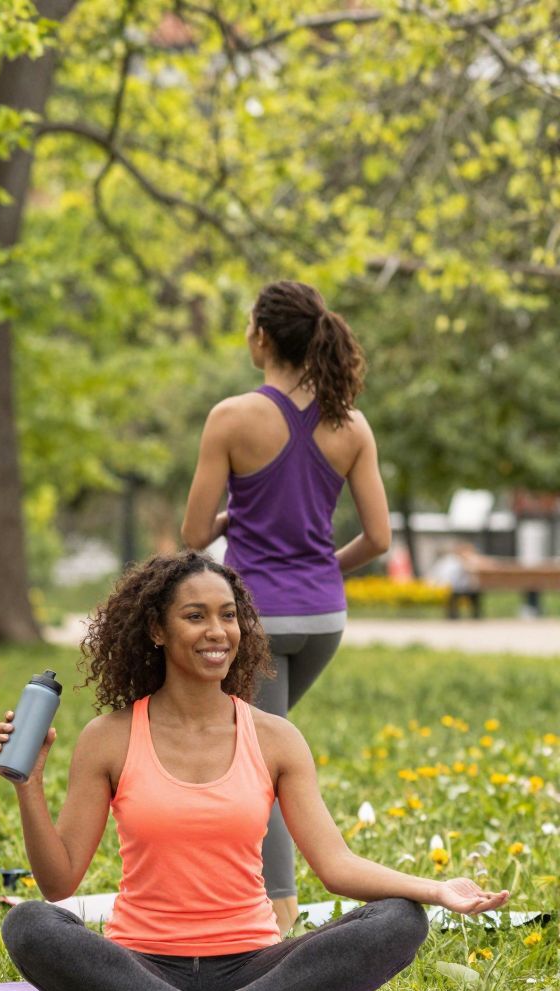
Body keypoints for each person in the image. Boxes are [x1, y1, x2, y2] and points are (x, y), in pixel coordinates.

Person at [0, 552, 507, 991]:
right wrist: (29, 783)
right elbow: (60, 883)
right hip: (143, 967)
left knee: (400, 919)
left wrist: (437, 889)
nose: (218, 632)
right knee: (29, 923)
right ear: (156, 630)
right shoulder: (109, 736)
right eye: (195, 616)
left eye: (229, 616)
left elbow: (336, 865)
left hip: (257, 970)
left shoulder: (275, 737)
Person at [181, 281, 390, 932]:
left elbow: (192, 537)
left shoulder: (232, 418)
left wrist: (232, 515)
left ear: (263, 338)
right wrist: (321, 567)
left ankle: (276, 912)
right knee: (251, 746)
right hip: (324, 618)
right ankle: (233, 879)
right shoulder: (349, 423)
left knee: (257, 758)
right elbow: (379, 540)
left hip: (256, 620)